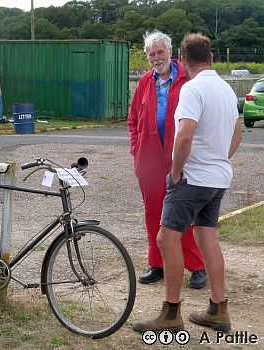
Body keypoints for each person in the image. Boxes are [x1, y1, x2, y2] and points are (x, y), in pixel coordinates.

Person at [133, 33, 242, 333]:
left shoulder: (192, 89)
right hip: (218, 179)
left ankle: (170, 314)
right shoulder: (226, 90)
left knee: (166, 239)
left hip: (193, 179)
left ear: (181, 57)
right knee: (207, 239)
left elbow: (184, 135)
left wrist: (176, 172)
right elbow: (237, 135)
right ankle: (218, 310)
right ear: (211, 58)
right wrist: (219, 159)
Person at [127, 30, 206, 289]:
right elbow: (133, 121)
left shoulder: (187, 78)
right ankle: (157, 263)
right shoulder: (145, 82)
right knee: (153, 214)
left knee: (182, 214)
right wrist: (136, 151)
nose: (156, 57)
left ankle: (196, 266)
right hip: (149, 162)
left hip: (180, 159)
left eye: (160, 52)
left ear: (171, 53)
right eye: (151, 54)